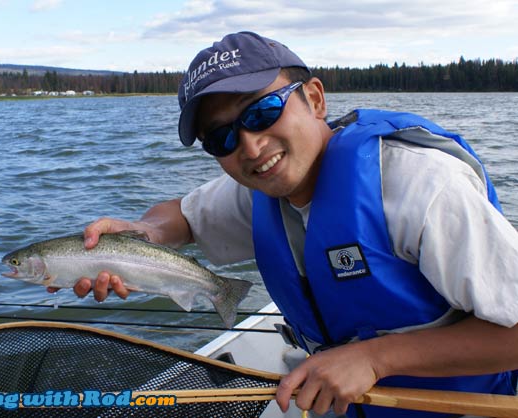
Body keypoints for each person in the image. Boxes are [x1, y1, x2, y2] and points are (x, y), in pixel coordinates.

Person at [51, 32, 518, 417]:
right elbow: (181, 216)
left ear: (314, 99)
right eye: (222, 136)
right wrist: (142, 235)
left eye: (262, 112)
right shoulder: (259, 188)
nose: (251, 148)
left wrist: (374, 359)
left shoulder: (422, 185)